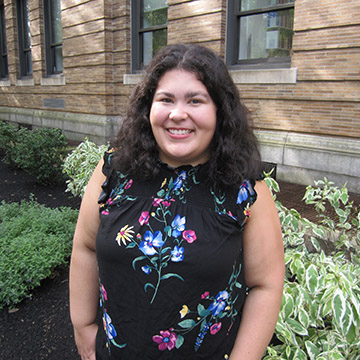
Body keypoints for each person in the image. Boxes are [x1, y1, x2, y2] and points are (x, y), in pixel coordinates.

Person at [69, 43, 284, 360]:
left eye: (195, 100)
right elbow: (85, 247)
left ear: (219, 111)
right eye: (165, 99)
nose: (177, 113)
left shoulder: (246, 192)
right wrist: (83, 325)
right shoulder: (113, 174)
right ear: (148, 108)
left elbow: (266, 285)